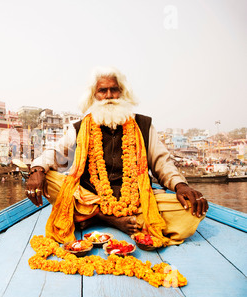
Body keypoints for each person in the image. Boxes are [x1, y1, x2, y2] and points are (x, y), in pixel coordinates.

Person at [25, 66, 208, 246]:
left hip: (137, 200)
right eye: (102, 91)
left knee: (190, 211)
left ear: (122, 93)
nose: (109, 96)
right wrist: (37, 170)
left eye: (114, 89)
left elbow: (162, 163)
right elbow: (55, 154)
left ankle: (94, 218)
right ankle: (105, 218)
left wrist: (180, 185)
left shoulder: (143, 125)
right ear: (94, 96)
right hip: (92, 198)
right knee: (48, 179)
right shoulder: (80, 127)